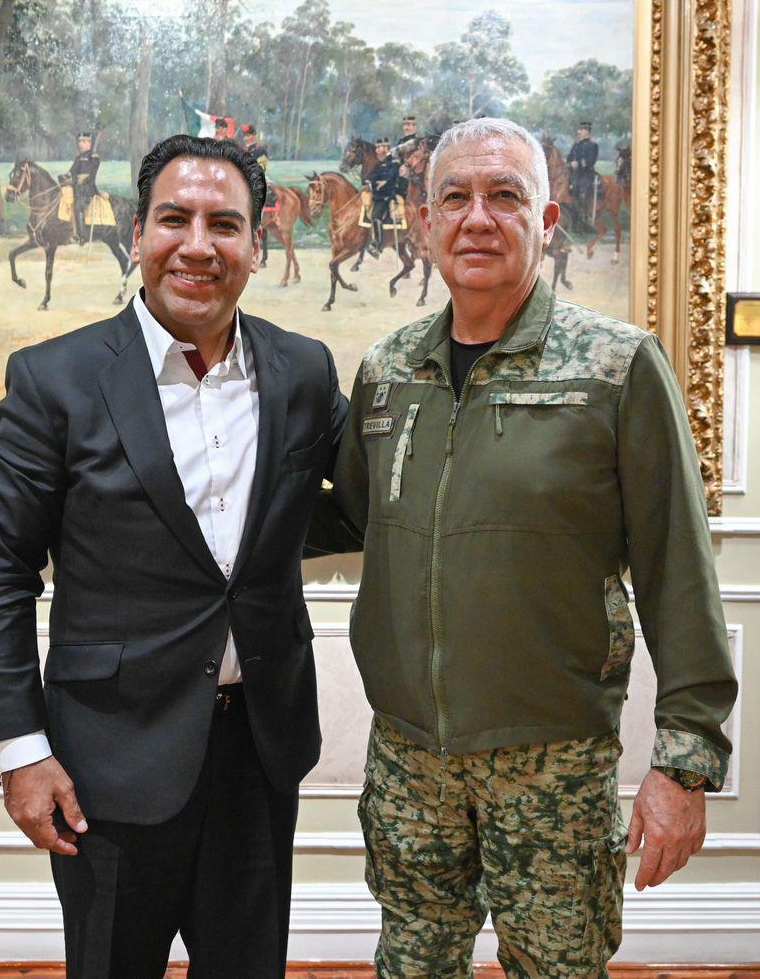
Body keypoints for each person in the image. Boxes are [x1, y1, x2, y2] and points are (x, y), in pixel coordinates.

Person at [312, 117, 737, 977]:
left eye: (504, 195)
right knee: (411, 965)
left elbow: (677, 568)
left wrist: (685, 764)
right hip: (409, 759)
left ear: (546, 221)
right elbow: (355, 516)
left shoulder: (616, 367)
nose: (478, 218)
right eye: (455, 198)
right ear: (426, 223)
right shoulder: (389, 370)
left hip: (554, 764)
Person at [0, 133, 347, 979]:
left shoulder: (304, 372)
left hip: (260, 752)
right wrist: (21, 749)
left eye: (225, 224)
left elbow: (352, 505)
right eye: (175, 219)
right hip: (107, 759)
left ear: (255, 243)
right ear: (137, 234)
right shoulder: (55, 379)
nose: (198, 245)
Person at [365, 137, 408, 258]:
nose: (377, 150)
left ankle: (377, 245)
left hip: (388, 195)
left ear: (387, 148)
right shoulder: (380, 164)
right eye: (377, 148)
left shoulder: (393, 162)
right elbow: (373, 177)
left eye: (380, 147)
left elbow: (391, 179)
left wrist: (379, 183)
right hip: (378, 194)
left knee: (376, 215)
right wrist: (370, 182)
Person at [243, 123, 278, 267]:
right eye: (245, 135)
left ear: (254, 135)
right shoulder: (245, 149)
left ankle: (259, 220)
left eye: (249, 135)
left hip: (257, 179)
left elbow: (262, 167)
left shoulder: (260, 149)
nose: (246, 137)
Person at [67, 131, 100, 244]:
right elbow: (72, 172)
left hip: (87, 190)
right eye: (79, 142)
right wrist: (67, 178)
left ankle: (82, 236)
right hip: (76, 188)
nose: (80, 144)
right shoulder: (78, 158)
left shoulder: (94, 158)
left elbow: (90, 176)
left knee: (78, 207)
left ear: (89, 143)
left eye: (83, 142)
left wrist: (78, 178)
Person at [566, 119, 599, 232]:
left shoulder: (592, 145)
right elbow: (569, 158)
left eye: (581, 130)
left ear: (587, 131)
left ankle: (584, 222)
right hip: (574, 174)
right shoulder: (576, 145)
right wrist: (570, 163)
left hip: (585, 174)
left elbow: (590, 161)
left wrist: (578, 164)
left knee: (582, 194)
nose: (578, 132)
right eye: (579, 129)